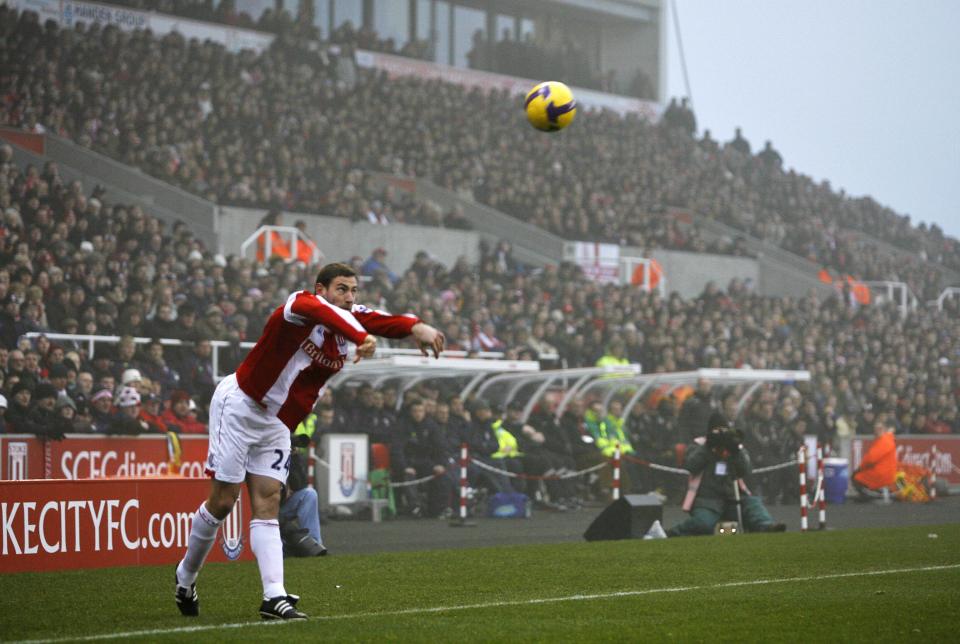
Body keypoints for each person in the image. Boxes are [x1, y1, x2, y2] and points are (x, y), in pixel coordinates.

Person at [174, 262, 443, 621]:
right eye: (341, 290)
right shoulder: (300, 307)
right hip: (240, 405)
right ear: (321, 289)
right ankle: (186, 577)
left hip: (275, 422)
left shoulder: (350, 319)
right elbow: (325, 313)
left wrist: (416, 327)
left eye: (353, 291)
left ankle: (274, 596)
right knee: (223, 501)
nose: (349, 298)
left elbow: (379, 319)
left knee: (268, 499)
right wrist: (361, 336)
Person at [668, 414, 785, 536]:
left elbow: (746, 471)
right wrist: (708, 446)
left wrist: (735, 450)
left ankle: (767, 527)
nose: (721, 434)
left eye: (724, 431)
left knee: (753, 505)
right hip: (707, 501)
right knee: (703, 523)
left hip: (733, 498)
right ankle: (673, 533)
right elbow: (691, 466)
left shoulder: (734, 446)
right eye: (717, 431)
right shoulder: (698, 445)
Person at [852, 420, 897, 500]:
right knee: (859, 475)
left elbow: (871, 459)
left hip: (882, 474)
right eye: (876, 428)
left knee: (856, 477)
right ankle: (877, 493)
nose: (877, 431)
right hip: (885, 473)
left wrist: (859, 468)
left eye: (880, 428)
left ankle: (876, 496)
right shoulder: (887, 439)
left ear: (885, 429)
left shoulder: (884, 440)